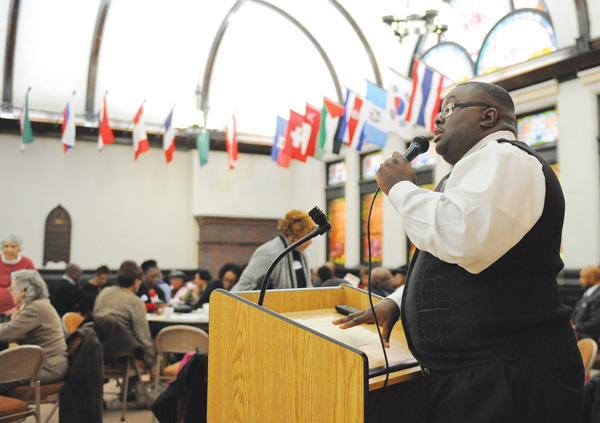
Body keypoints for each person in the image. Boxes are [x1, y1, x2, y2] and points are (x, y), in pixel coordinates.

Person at [333, 81, 583, 422]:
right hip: (477, 372)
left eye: (448, 109)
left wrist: (400, 188)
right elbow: (460, 259)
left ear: (488, 117)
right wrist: (399, 303)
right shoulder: (475, 170)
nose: (436, 120)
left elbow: (465, 237)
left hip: (508, 373)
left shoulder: (507, 157)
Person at [0, 270, 68, 393]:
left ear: (23, 292)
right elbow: (11, 328)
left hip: (48, 367)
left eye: (13, 288)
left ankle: (11, 410)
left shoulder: (35, 308)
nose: (10, 290)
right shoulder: (39, 304)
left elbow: (7, 333)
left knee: (1, 378)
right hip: (45, 363)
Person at [231, 210, 316, 292]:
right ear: (293, 235)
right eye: (307, 238)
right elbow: (245, 285)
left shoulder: (300, 254)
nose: (310, 243)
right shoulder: (268, 253)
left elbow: (307, 286)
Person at [93, 260, 156, 370]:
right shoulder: (135, 301)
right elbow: (143, 337)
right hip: (123, 355)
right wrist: (152, 363)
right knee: (156, 346)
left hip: (97, 350)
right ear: (136, 281)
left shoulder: (104, 292)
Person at [0, 234, 35, 320]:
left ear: (19, 248)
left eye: (13, 247)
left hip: (19, 312)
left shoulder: (27, 263)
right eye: (6, 246)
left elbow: (34, 287)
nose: (9, 250)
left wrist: (19, 307)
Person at [572, 265, 600, 341]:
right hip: (579, 334)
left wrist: (575, 327)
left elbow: (596, 323)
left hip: (588, 338)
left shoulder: (598, 295)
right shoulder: (589, 293)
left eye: (582, 277)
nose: (580, 280)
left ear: (592, 278)